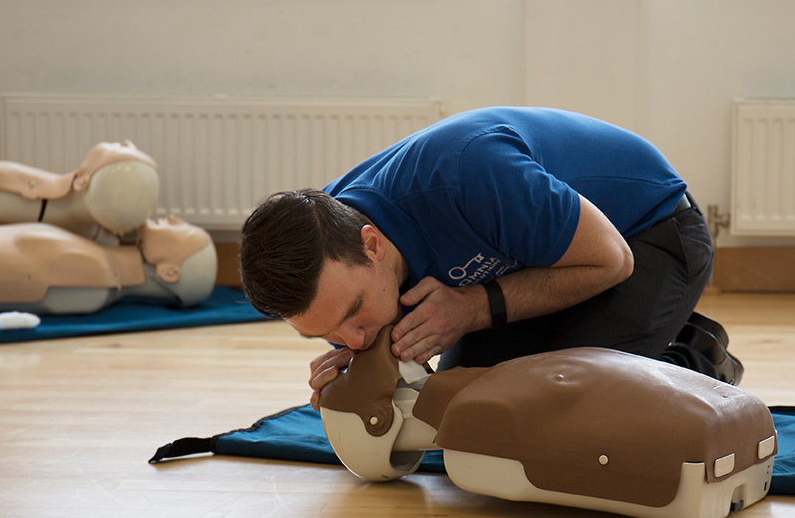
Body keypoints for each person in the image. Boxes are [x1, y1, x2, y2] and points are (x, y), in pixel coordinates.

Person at [237, 107, 737, 408]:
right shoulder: (326, 236)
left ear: (373, 245)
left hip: (649, 234)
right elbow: (387, 364)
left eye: (352, 314)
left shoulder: (466, 175)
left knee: (562, 406)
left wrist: (474, 308)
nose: (354, 340)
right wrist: (364, 383)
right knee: (465, 414)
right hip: (529, 262)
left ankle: (692, 351)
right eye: (324, 333)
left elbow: (611, 260)